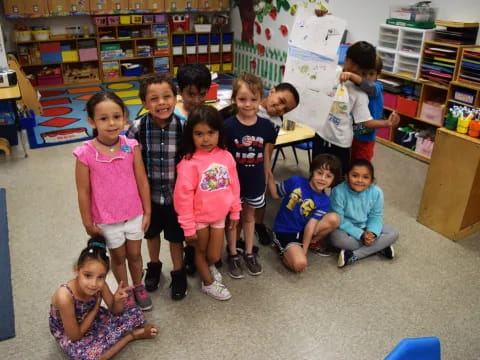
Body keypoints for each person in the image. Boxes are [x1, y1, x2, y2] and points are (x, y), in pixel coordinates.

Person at [74, 91, 152, 311]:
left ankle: (138, 285)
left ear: (125, 117)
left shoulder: (131, 146)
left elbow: (142, 181)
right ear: (92, 121)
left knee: (135, 254)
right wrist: (87, 222)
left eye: (116, 117)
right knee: (118, 257)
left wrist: (147, 211)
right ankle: (124, 289)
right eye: (103, 118)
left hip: (134, 213)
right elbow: (83, 191)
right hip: (107, 219)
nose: (111, 123)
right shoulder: (85, 153)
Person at [126, 74, 187, 300]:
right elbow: (129, 162)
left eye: (166, 97)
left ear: (175, 98)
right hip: (148, 196)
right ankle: (153, 265)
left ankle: (178, 272)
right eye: (154, 99)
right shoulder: (137, 128)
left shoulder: (183, 126)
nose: (161, 103)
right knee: (151, 235)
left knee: (175, 237)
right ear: (144, 103)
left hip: (176, 197)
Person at [49, 236, 157, 360]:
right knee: (88, 357)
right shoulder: (64, 296)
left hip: (91, 318)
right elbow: (75, 336)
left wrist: (117, 300)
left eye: (101, 277)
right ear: (76, 270)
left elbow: (115, 310)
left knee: (136, 314)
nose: (94, 283)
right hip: (71, 331)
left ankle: (110, 336)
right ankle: (131, 336)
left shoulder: (99, 284)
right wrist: (95, 310)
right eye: (88, 275)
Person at [220, 82, 300, 246]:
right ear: (271, 92)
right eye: (281, 101)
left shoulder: (276, 121)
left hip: (256, 166)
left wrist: (266, 173)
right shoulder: (236, 110)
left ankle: (258, 224)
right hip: (234, 169)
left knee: (257, 201)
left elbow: (268, 148)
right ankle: (233, 242)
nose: (280, 109)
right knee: (234, 208)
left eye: (286, 109)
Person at [174, 105, 241, 300]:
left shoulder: (226, 156)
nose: (205, 139)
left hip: (219, 216)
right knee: (200, 252)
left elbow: (234, 185)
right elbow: (182, 197)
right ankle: (208, 283)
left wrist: (235, 210)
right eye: (199, 134)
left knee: (214, 256)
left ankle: (209, 268)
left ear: (219, 132)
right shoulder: (189, 163)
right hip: (199, 219)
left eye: (210, 133)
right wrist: (188, 227)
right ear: (191, 135)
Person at [223, 72, 277, 279]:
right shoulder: (227, 127)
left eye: (254, 99)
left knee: (249, 217)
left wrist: (266, 179)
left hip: (255, 182)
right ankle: (232, 253)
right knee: (233, 220)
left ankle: (248, 251)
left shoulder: (266, 126)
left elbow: (266, 156)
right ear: (234, 99)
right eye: (242, 99)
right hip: (233, 185)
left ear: (261, 99)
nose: (248, 104)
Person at [267, 154, 341, 272]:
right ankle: (281, 247)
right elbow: (275, 194)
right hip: (285, 231)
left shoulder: (325, 200)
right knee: (300, 265)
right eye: (319, 173)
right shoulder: (296, 181)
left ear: (333, 180)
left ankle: (311, 243)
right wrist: (269, 175)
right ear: (312, 171)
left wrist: (304, 251)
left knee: (335, 219)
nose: (322, 178)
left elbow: (311, 226)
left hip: (303, 229)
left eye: (328, 176)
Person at [311, 41, 376, 174]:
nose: (355, 69)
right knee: (316, 175)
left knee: (338, 182)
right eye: (352, 64)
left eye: (360, 68)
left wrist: (386, 123)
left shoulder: (361, 91)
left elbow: (364, 120)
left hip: (341, 143)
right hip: (321, 135)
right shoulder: (332, 72)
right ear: (346, 58)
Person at [173, 64, 212, 276]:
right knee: (184, 221)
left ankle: (200, 253)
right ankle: (189, 254)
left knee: (203, 219)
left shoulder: (208, 115)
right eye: (191, 94)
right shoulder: (174, 118)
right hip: (181, 182)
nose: (197, 100)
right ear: (180, 91)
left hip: (204, 184)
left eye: (202, 94)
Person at [330, 159, 399, 267]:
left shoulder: (377, 192)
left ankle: (353, 255)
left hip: (366, 227)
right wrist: (361, 235)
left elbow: (375, 216)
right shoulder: (338, 191)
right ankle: (380, 247)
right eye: (355, 175)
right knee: (336, 239)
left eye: (365, 177)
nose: (360, 180)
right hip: (345, 229)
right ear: (347, 177)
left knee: (394, 233)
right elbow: (340, 220)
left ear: (371, 180)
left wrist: (372, 233)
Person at [341, 55, 400, 161]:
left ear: (378, 75)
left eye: (371, 74)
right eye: (364, 73)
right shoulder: (357, 87)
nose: (367, 77)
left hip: (365, 139)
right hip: (352, 135)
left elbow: (369, 86)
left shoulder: (377, 86)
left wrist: (350, 75)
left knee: (361, 166)